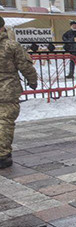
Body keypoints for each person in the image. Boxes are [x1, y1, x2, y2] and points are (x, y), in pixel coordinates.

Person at [0, 16, 38, 168]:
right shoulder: (11, 46)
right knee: (5, 122)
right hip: (7, 90)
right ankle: (2, 155)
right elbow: (25, 65)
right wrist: (32, 80)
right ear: (2, 27)